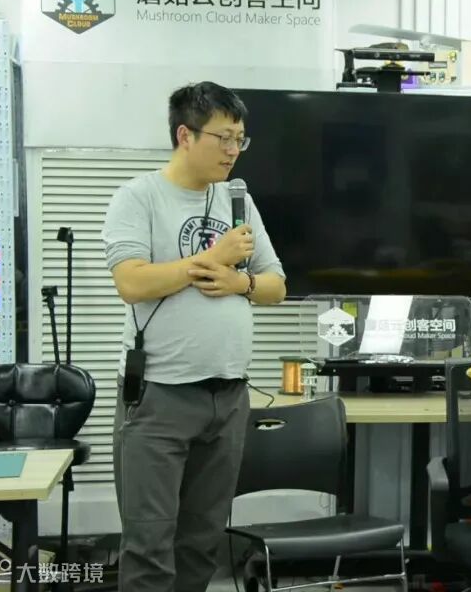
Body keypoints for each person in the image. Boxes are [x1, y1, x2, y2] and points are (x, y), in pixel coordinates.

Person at [101, 81, 287, 591]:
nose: (233, 150)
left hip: (228, 395)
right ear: (185, 135)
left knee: (202, 542)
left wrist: (240, 283)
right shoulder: (138, 197)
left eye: (240, 139)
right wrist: (212, 259)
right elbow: (131, 282)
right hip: (159, 395)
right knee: (150, 545)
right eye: (223, 138)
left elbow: (276, 284)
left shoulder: (238, 200)